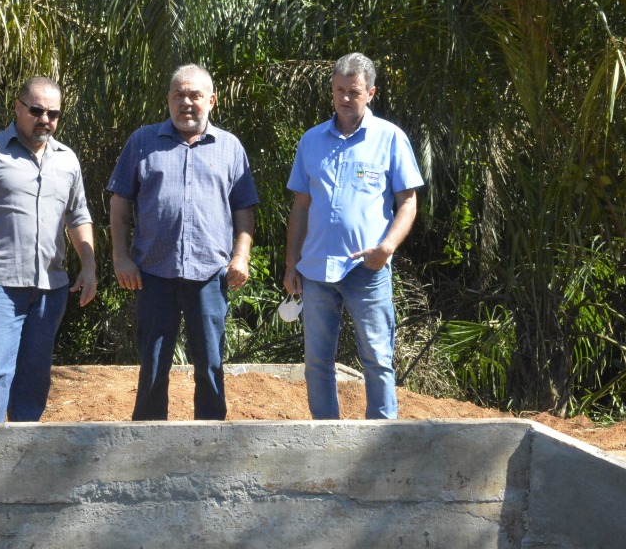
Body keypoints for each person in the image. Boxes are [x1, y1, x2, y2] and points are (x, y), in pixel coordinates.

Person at [108, 64, 259, 420]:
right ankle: (146, 442)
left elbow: (244, 208)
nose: (186, 102)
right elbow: (119, 203)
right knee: (153, 365)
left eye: (194, 95)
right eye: (178, 95)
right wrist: (120, 256)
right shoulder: (142, 142)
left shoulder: (230, 148)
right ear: (168, 100)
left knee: (210, 363)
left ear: (212, 101)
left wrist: (241, 256)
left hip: (210, 274)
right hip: (153, 273)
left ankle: (210, 444)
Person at [0, 76, 97, 423]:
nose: (45, 119)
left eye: (53, 113)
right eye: (37, 110)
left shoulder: (67, 160)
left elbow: (78, 216)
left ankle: (24, 457)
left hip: (50, 289)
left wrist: (89, 266)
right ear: (17, 107)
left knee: (35, 375)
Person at [283, 53, 423, 419]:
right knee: (316, 360)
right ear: (332, 90)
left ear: (371, 93)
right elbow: (300, 205)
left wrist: (387, 248)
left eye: (354, 91)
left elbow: (408, 202)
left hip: (367, 268)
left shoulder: (390, 138)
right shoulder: (311, 141)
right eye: (339, 90)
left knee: (377, 357)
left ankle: (381, 439)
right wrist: (290, 263)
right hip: (315, 270)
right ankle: (326, 435)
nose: (346, 98)